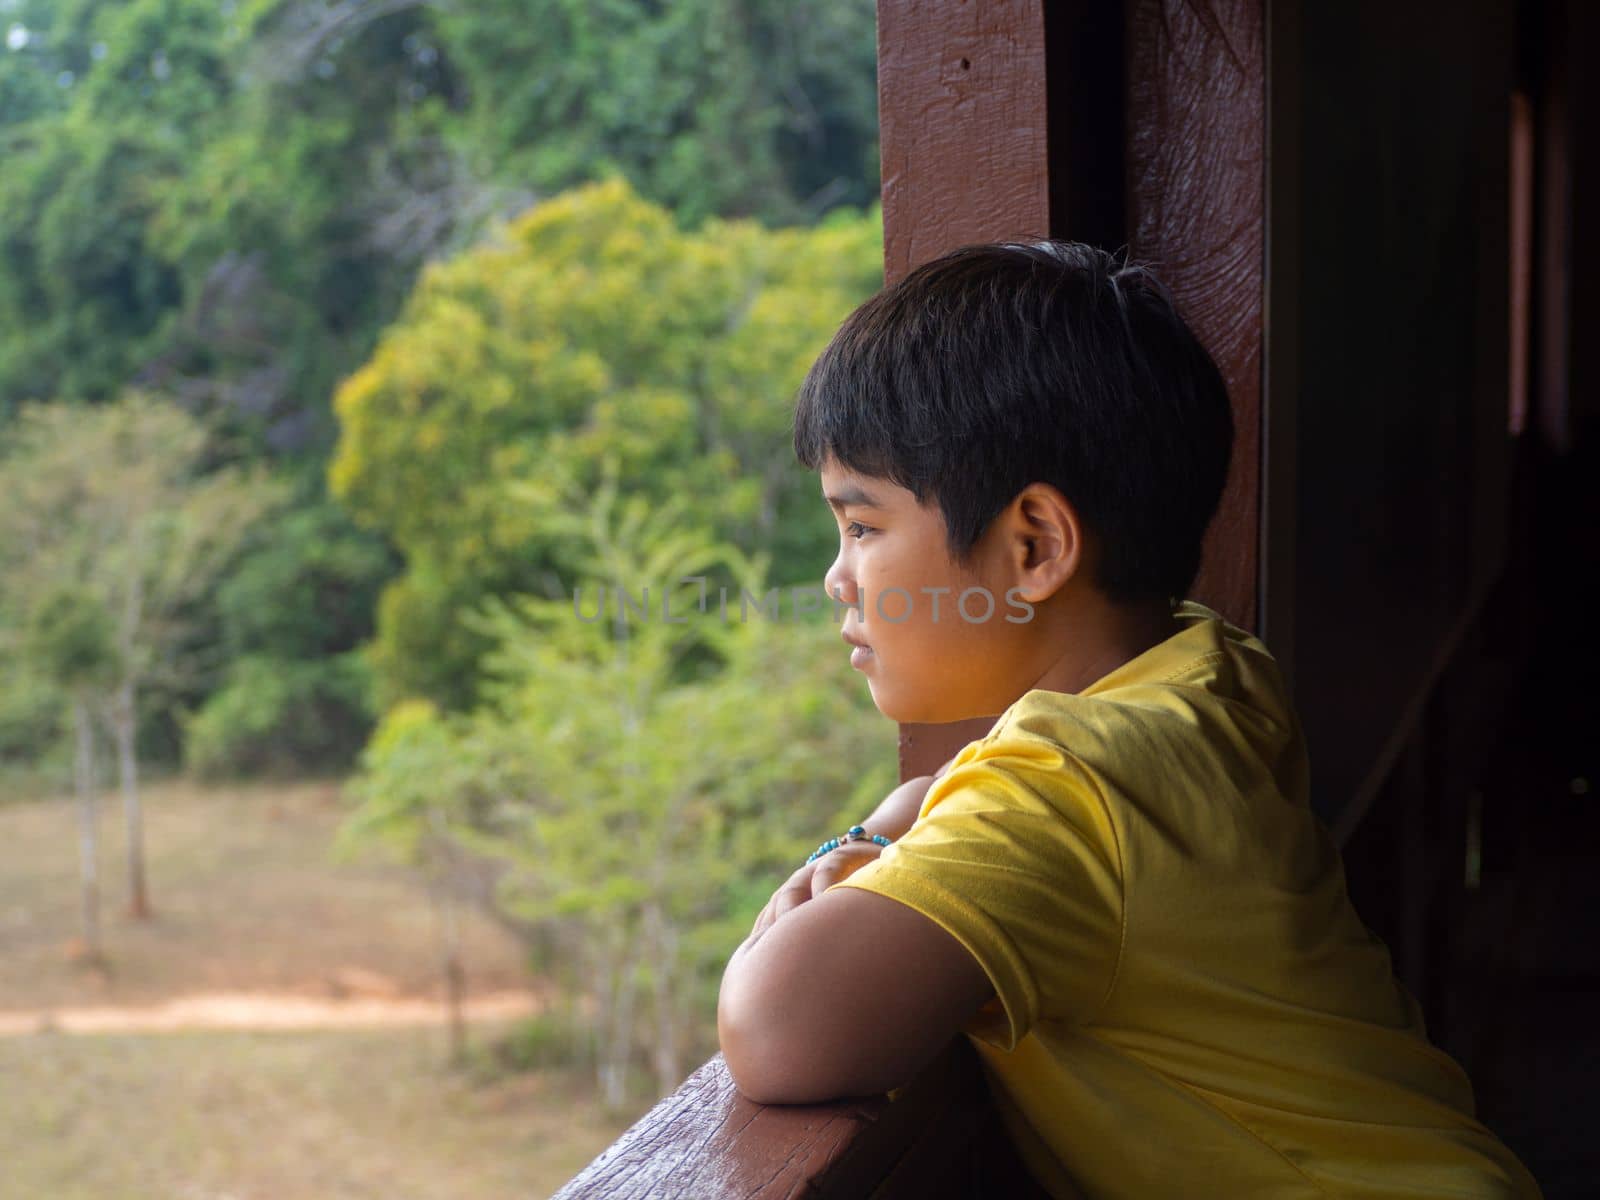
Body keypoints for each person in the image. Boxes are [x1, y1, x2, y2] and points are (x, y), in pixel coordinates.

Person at [716, 242, 1540, 1198]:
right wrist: (909, 809)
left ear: (1035, 546)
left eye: (862, 526)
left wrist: (852, 848)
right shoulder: (1208, 670)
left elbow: (778, 1033)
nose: (837, 576)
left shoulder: (1063, 787)